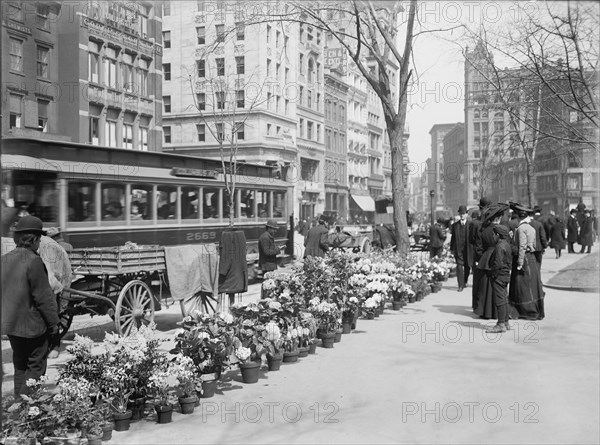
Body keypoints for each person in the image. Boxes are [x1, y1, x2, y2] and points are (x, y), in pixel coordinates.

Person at [1, 216, 60, 397]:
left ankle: (17, 406)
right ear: (33, 239)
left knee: (20, 365)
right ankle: (28, 409)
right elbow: (43, 297)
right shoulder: (34, 261)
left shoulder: (4, 259)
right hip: (33, 328)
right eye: (39, 240)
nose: (39, 244)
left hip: (11, 326)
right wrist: (54, 324)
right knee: (36, 367)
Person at [508, 205, 545, 321]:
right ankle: (535, 309)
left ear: (519, 217)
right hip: (531, 258)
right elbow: (532, 245)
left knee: (522, 285)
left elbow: (522, 247)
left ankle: (525, 311)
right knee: (533, 284)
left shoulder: (521, 228)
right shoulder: (531, 228)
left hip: (523, 258)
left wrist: (519, 262)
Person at [475, 203, 508, 320]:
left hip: (485, 259)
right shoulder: (501, 230)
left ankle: (485, 311)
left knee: (485, 287)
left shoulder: (483, 230)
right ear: (498, 218)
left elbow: (479, 248)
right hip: (498, 258)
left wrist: (482, 258)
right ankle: (497, 313)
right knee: (498, 288)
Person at [486, 224, 513, 333]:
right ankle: (506, 322)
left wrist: (493, 274)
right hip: (505, 274)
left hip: (499, 275)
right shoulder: (506, 244)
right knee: (504, 298)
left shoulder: (499, 246)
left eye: (494, 234)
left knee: (500, 300)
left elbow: (497, 263)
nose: (493, 236)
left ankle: (500, 324)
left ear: (498, 235)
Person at [470, 197, 492, 311]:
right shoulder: (490, 223)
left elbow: (472, 240)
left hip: (480, 255)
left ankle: (477, 305)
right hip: (487, 256)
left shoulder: (476, 223)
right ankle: (482, 306)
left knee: (478, 281)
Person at [450, 205, 472, 292]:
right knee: (459, 267)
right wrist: (452, 249)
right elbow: (453, 238)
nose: (462, 215)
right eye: (460, 214)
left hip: (468, 249)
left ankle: (465, 280)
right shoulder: (455, 226)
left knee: (467, 266)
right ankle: (460, 285)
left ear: (466, 214)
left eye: (463, 214)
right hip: (458, 249)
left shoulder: (470, 225)